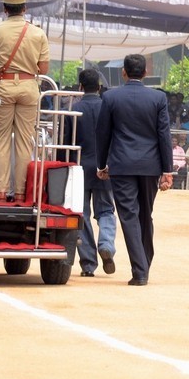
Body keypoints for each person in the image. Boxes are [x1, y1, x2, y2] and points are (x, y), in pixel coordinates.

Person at [96, 54, 174, 286]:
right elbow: (164, 135)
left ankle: (140, 271)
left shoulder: (110, 97)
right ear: (146, 72)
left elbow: (103, 134)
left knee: (129, 216)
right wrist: (167, 170)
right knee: (145, 215)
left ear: (123, 72)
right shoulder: (158, 98)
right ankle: (144, 263)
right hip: (151, 167)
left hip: (121, 165)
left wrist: (102, 164)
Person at [0, 0, 50, 203]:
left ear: (5, 8)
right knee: (25, 142)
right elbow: (43, 69)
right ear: (25, 8)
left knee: (1, 140)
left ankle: (1, 192)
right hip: (28, 87)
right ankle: (22, 192)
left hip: (2, 87)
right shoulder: (38, 33)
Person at [69, 68, 117, 277]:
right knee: (106, 210)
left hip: (79, 168)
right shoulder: (109, 109)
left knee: (82, 215)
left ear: (80, 87)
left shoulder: (74, 110)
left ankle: (88, 264)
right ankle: (106, 243)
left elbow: (66, 143)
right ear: (99, 87)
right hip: (105, 167)